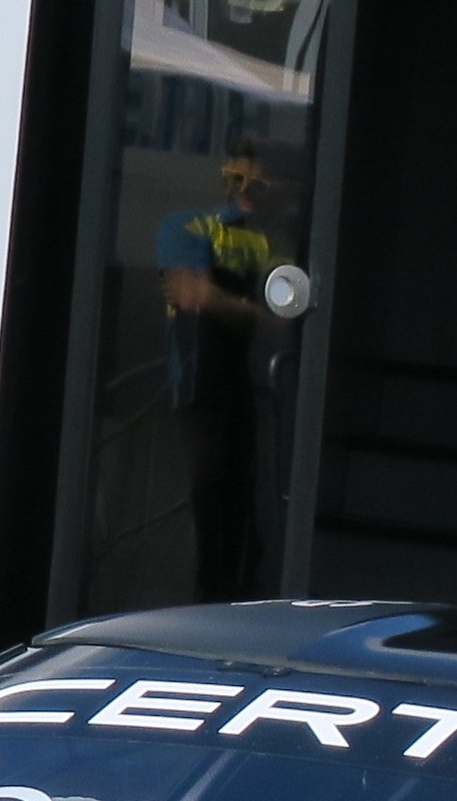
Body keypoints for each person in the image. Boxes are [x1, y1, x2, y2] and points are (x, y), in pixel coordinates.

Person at [157, 136, 283, 601]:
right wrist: (245, 309)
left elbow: (279, 322)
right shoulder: (190, 225)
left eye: (257, 184)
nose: (244, 191)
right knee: (209, 501)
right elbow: (190, 294)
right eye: (235, 179)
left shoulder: (276, 239)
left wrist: (217, 299)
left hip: (256, 387)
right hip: (201, 387)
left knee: (247, 506)